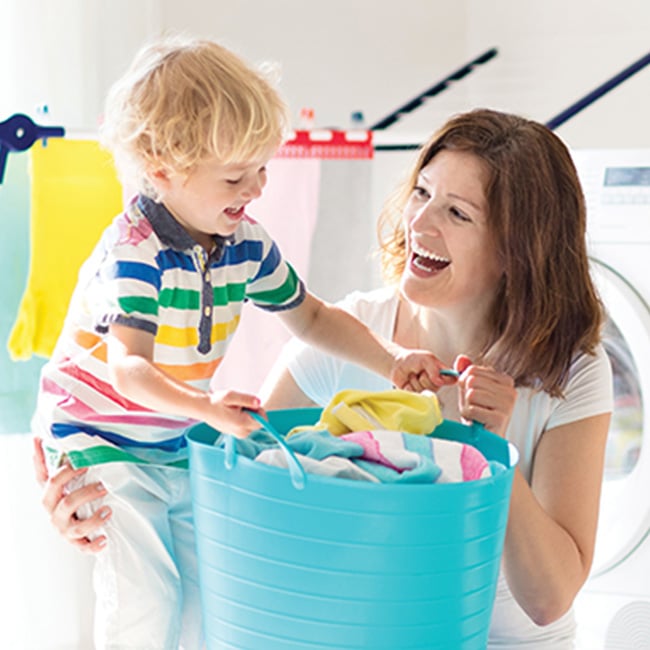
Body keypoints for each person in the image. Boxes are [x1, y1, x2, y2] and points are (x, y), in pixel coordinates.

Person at [36, 107, 613, 649]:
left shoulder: (571, 372)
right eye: (422, 192)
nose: (419, 221)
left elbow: (548, 598)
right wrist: (110, 508)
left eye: (457, 212)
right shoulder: (346, 337)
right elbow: (246, 503)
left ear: (519, 249)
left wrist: (491, 446)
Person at [31, 34, 451, 650]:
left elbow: (309, 316)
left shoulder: (245, 243)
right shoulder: (135, 254)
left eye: (261, 169)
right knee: (145, 599)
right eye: (235, 177)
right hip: (104, 442)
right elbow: (129, 371)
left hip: (171, 441)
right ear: (162, 170)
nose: (256, 189)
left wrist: (393, 360)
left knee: (211, 596)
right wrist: (208, 408)